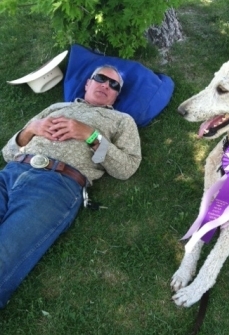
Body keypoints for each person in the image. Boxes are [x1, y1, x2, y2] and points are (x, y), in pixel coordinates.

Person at [0, 65, 141, 308]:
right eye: (101, 78)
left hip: (55, 185)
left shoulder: (121, 120)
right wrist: (31, 129)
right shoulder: (57, 108)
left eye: (114, 85)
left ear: (117, 96)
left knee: (5, 253)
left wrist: (91, 136)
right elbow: (8, 152)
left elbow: (126, 167)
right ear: (88, 83)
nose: (106, 85)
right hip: (10, 172)